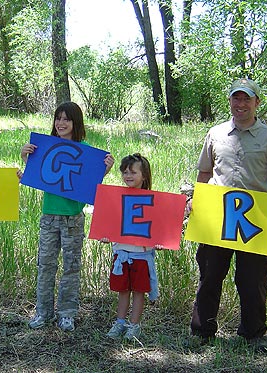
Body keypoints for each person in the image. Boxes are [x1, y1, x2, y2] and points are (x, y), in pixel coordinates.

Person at [190, 78, 267, 344]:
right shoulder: (215, 134)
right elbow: (204, 172)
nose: (241, 104)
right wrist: (196, 201)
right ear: (230, 102)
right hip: (217, 217)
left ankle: (252, 334)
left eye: (247, 99)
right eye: (236, 98)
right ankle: (202, 332)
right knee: (210, 275)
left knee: (252, 280)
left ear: (257, 103)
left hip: (256, 220)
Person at [21, 101, 115, 332]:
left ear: (75, 123)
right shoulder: (44, 148)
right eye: (58, 118)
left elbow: (89, 184)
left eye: (66, 119)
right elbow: (37, 174)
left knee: (71, 267)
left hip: (73, 217)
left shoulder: (86, 153)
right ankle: (43, 312)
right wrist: (26, 157)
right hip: (49, 216)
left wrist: (105, 169)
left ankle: (67, 313)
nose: (61, 123)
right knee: (45, 266)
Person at [102, 153, 160, 341]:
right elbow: (111, 221)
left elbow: (158, 226)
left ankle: (134, 325)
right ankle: (119, 322)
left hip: (141, 256)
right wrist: (105, 235)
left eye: (133, 172)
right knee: (123, 290)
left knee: (139, 292)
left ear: (144, 176)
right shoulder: (117, 198)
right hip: (121, 253)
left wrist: (159, 241)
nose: (128, 176)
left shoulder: (153, 200)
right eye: (125, 172)